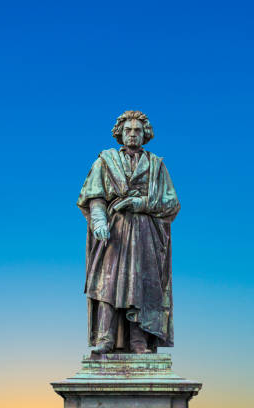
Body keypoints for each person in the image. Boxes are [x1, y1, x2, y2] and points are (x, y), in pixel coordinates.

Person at [76, 110, 180, 354]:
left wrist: (139, 204)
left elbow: (172, 203)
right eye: (128, 130)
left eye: (137, 131)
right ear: (120, 134)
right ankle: (105, 337)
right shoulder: (105, 160)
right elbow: (95, 196)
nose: (133, 135)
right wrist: (99, 222)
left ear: (145, 135)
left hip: (146, 235)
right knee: (108, 284)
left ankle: (139, 340)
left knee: (141, 286)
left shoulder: (156, 165)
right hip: (115, 232)